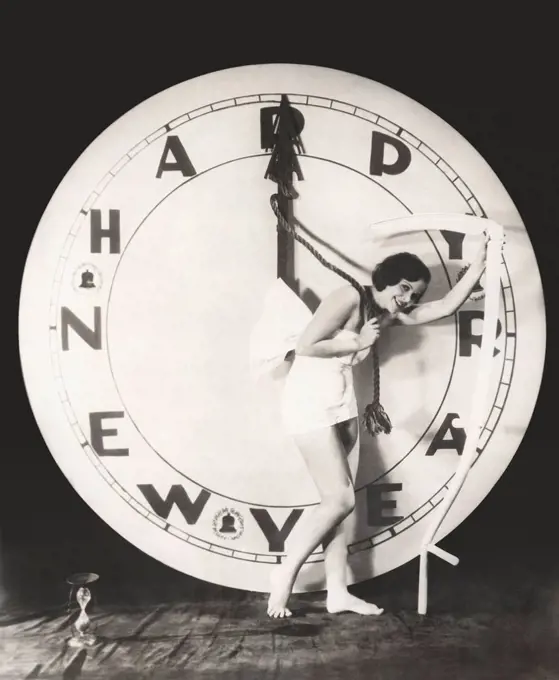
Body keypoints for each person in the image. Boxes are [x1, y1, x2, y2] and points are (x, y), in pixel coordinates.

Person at [266, 233, 491, 618]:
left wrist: (483, 261)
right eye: (404, 288)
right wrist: (356, 343)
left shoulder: (384, 309)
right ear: (386, 278)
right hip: (308, 401)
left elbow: (443, 307)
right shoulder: (349, 297)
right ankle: (285, 573)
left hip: (340, 401)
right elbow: (305, 346)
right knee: (340, 500)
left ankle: (337, 591)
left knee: (334, 505)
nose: (407, 299)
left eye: (413, 295)